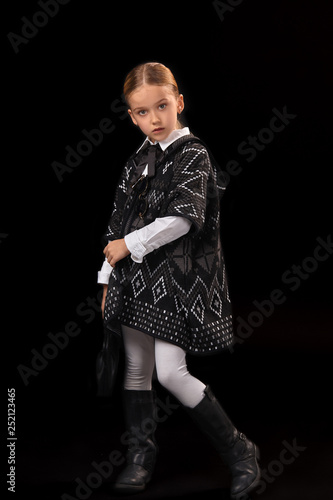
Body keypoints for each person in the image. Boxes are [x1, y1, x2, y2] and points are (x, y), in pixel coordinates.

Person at [97, 62, 260, 499]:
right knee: (136, 369)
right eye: (143, 112)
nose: (155, 119)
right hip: (135, 281)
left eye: (163, 107)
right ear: (132, 116)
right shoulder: (137, 159)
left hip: (178, 280)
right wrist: (107, 279)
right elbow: (118, 220)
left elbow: (182, 221)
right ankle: (140, 457)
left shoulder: (193, 154)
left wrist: (128, 245)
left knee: (171, 372)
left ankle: (240, 451)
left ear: (179, 103)